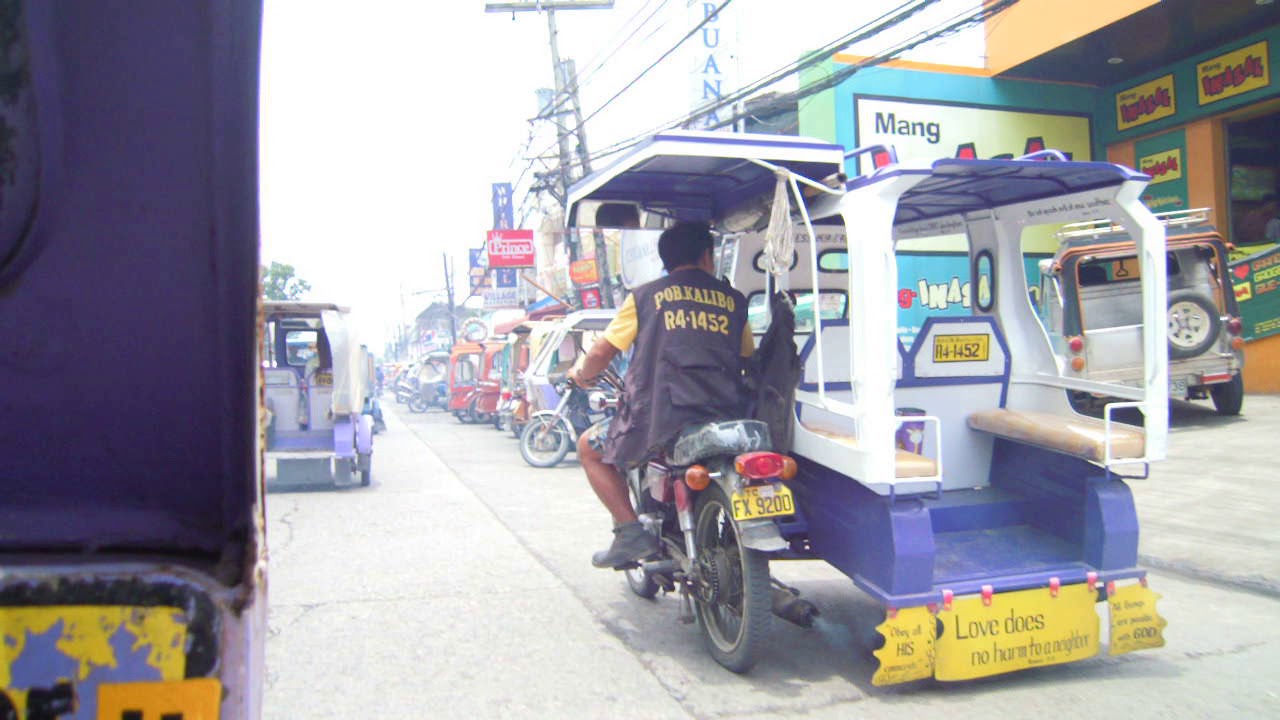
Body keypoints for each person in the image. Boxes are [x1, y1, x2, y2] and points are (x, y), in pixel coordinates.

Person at [570, 221, 754, 569]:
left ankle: (629, 531)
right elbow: (746, 355)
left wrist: (581, 375)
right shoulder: (734, 301)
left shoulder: (645, 296)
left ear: (666, 260)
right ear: (706, 256)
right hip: (726, 413)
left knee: (588, 448)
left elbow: (599, 354)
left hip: (659, 418)